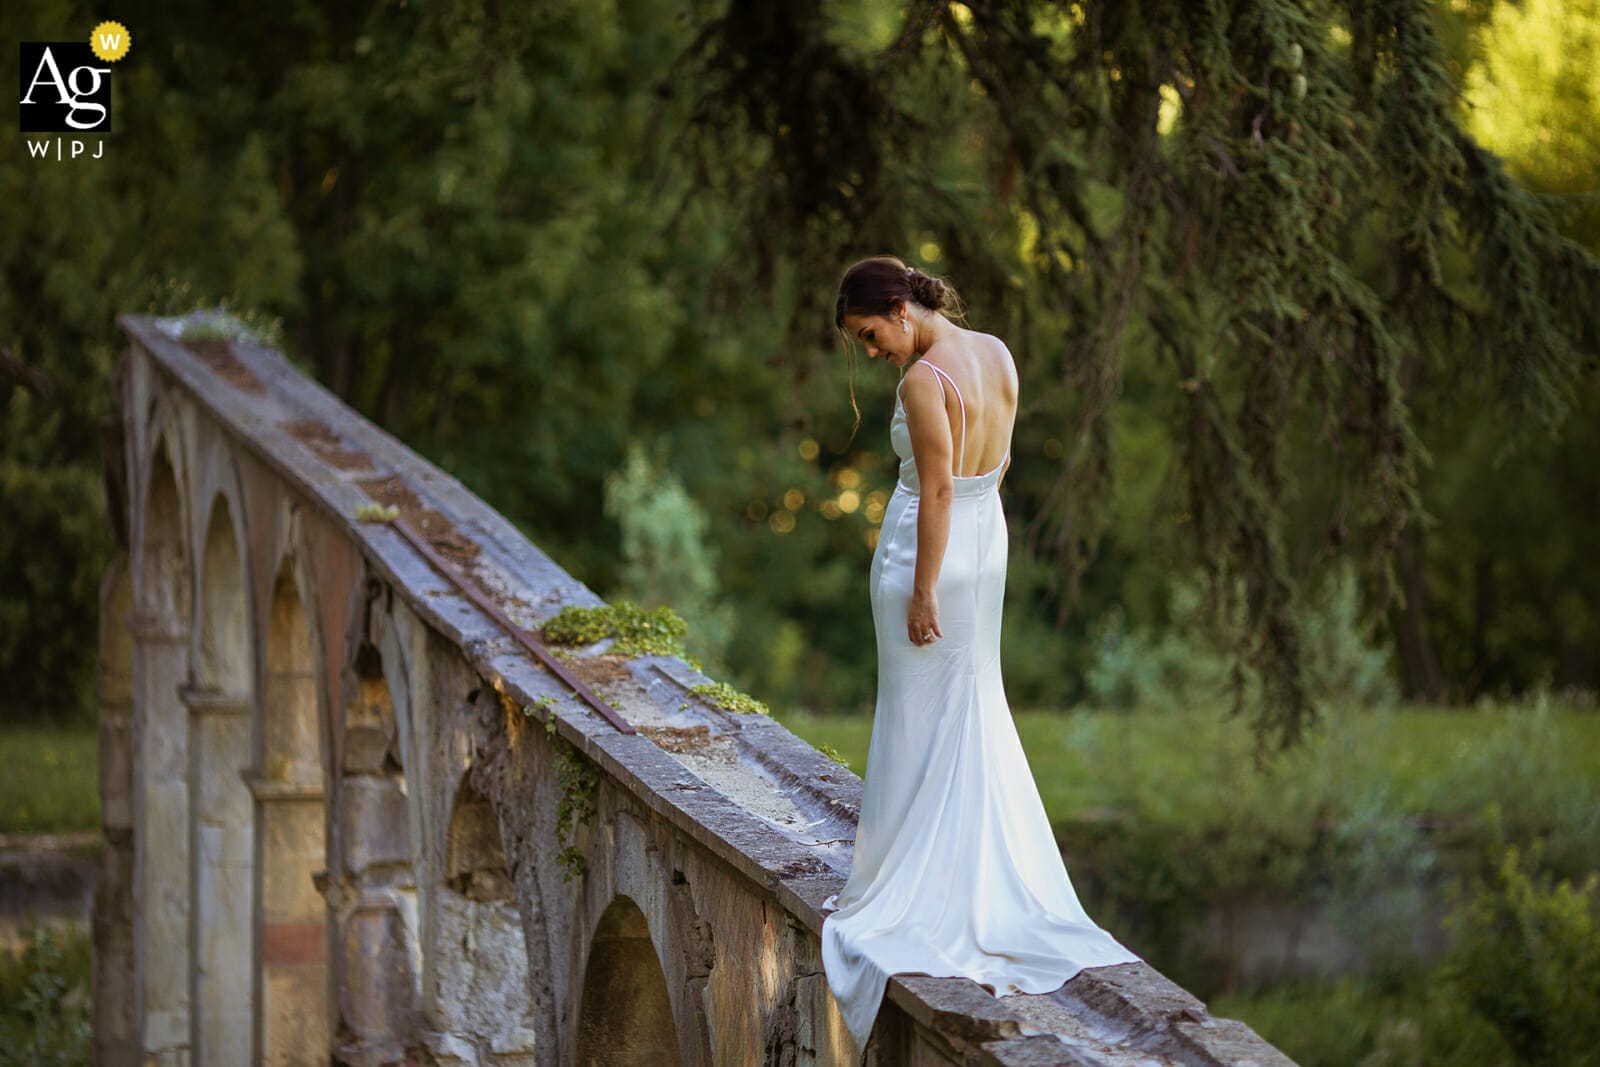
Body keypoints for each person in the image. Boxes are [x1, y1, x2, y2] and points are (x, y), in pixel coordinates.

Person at [819, 255, 1142, 1059]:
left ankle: (912, 883)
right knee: (971, 702)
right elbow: (993, 468)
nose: (872, 353)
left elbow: (932, 489)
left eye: (869, 335)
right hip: (986, 542)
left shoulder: (926, 381)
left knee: (917, 710)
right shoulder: (997, 353)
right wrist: (965, 551)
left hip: (931, 554)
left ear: (898, 308)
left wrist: (924, 587)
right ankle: (968, 874)